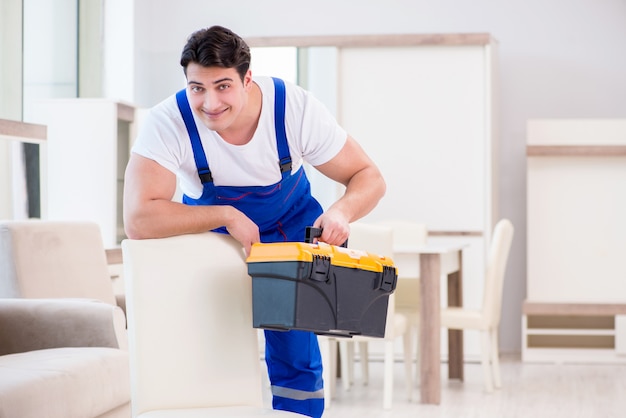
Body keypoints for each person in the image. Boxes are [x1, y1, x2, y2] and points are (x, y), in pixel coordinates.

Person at [123, 25, 386, 417]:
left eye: (223, 86)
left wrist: (340, 212)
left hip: (291, 229)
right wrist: (226, 214)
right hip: (216, 238)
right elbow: (139, 217)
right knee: (214, 343)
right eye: (198, 88)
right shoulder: (168, 121)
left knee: (295, 350)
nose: (210, 102)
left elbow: (369, 177)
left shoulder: (292, 108)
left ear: (248, 80)